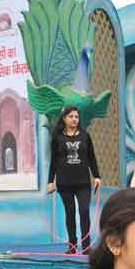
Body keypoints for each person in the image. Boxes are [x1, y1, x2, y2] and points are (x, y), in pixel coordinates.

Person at [48, 106, 101, 254]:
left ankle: (86, 247)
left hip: (83, 183)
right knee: (70, 213)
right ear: (64, 118)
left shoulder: (85, 136)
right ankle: (72, 246)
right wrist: (50, 181)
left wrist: (97, 176)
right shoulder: (58, 137)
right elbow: (54, 161)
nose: (74, 119)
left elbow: (91, 157)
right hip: (64, 183)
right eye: (71, 116)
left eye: (76, 117)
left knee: (84, 211)